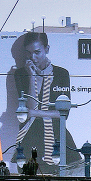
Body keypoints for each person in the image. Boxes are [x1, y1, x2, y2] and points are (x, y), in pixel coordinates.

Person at [10, 32, 75, 166]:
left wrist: (35, 113)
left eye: (37, 52)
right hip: (31, 136)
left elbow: (63, 114)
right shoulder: (21, 74)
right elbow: (30, 107)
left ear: (47, 49)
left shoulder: (61, 74)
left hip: (57, 134)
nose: (32, 58)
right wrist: (32, 77)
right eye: (28, 53)